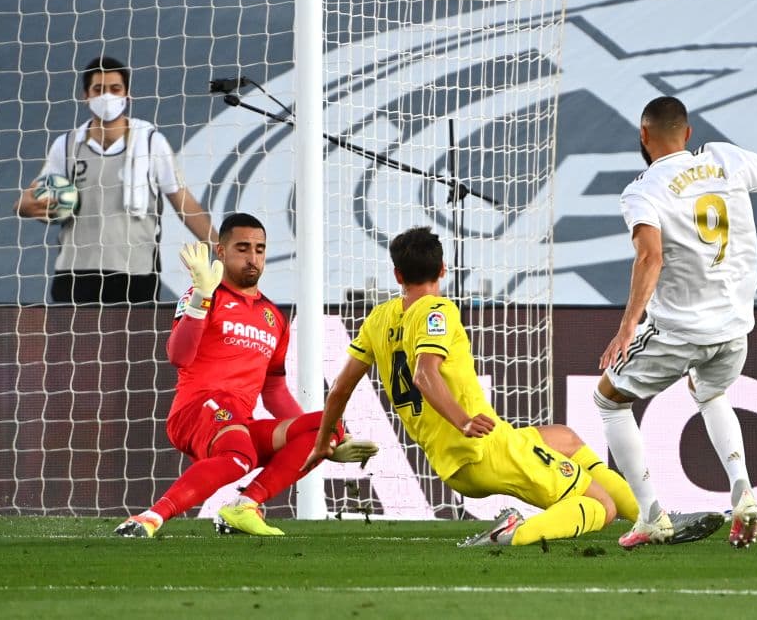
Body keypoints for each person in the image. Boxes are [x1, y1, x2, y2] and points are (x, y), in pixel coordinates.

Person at [302, 226, 724, 547]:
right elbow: (425, 374)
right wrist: (464, 420)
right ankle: (514, 533)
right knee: (601, 506)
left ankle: (657, 518)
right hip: (481, 447)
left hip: (454, 459)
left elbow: (339, 390)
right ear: (444, 270)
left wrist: (324, 442)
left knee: (565, 437)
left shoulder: (379, 318)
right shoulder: (437, 310)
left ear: (396, 274)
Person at [596, 96, 757, 549]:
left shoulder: (644, 189)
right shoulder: (726, 158)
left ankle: (651, 514)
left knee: (609, 399)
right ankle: (743, 489)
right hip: (735, 327)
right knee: (709, 391)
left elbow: (649, 256)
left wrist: (627, 327)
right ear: (688, 134)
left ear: (644, 137)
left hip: (680, 329)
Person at [115, 213, 376, 537]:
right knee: (240, 455)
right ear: (221, 252)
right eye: (243, 248)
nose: (253, 258)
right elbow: (178, 356)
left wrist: (323, 443)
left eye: (260, 249)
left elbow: (275, 391)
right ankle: (150, 518)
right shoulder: (205, 295)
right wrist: (200, 298)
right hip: (197, 409)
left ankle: (246, 505)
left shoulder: (274, 318)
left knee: (329, 425)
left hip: (236, 420)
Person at [14, 56, 217, 304]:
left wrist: (220, 246)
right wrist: (25, 206)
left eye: (114, 89)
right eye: (98, 89)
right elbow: (31, 199)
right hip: (75, 272)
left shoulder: (151, 142)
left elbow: (183, 202)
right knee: (71, 344)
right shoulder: (66, 145)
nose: (106, 97)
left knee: (133, 344)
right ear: (85, 95)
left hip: (136, 272)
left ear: (127, 94)